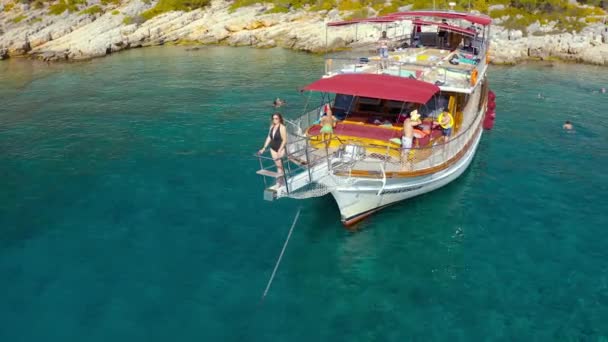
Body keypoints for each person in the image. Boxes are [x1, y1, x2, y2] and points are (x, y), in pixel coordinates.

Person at [259, 113, 288, 184]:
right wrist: (264, 148)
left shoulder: (282, 127)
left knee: (280, 166)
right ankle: (281, 180)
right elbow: (269, 137)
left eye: (276, 118)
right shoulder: (272, 126)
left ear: (280, 119)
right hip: (273, 149)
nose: (274, 120)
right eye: (273, 118)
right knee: (278, 166)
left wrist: (280, 150)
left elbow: (284, 140)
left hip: (280, 149)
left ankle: (280, 182)